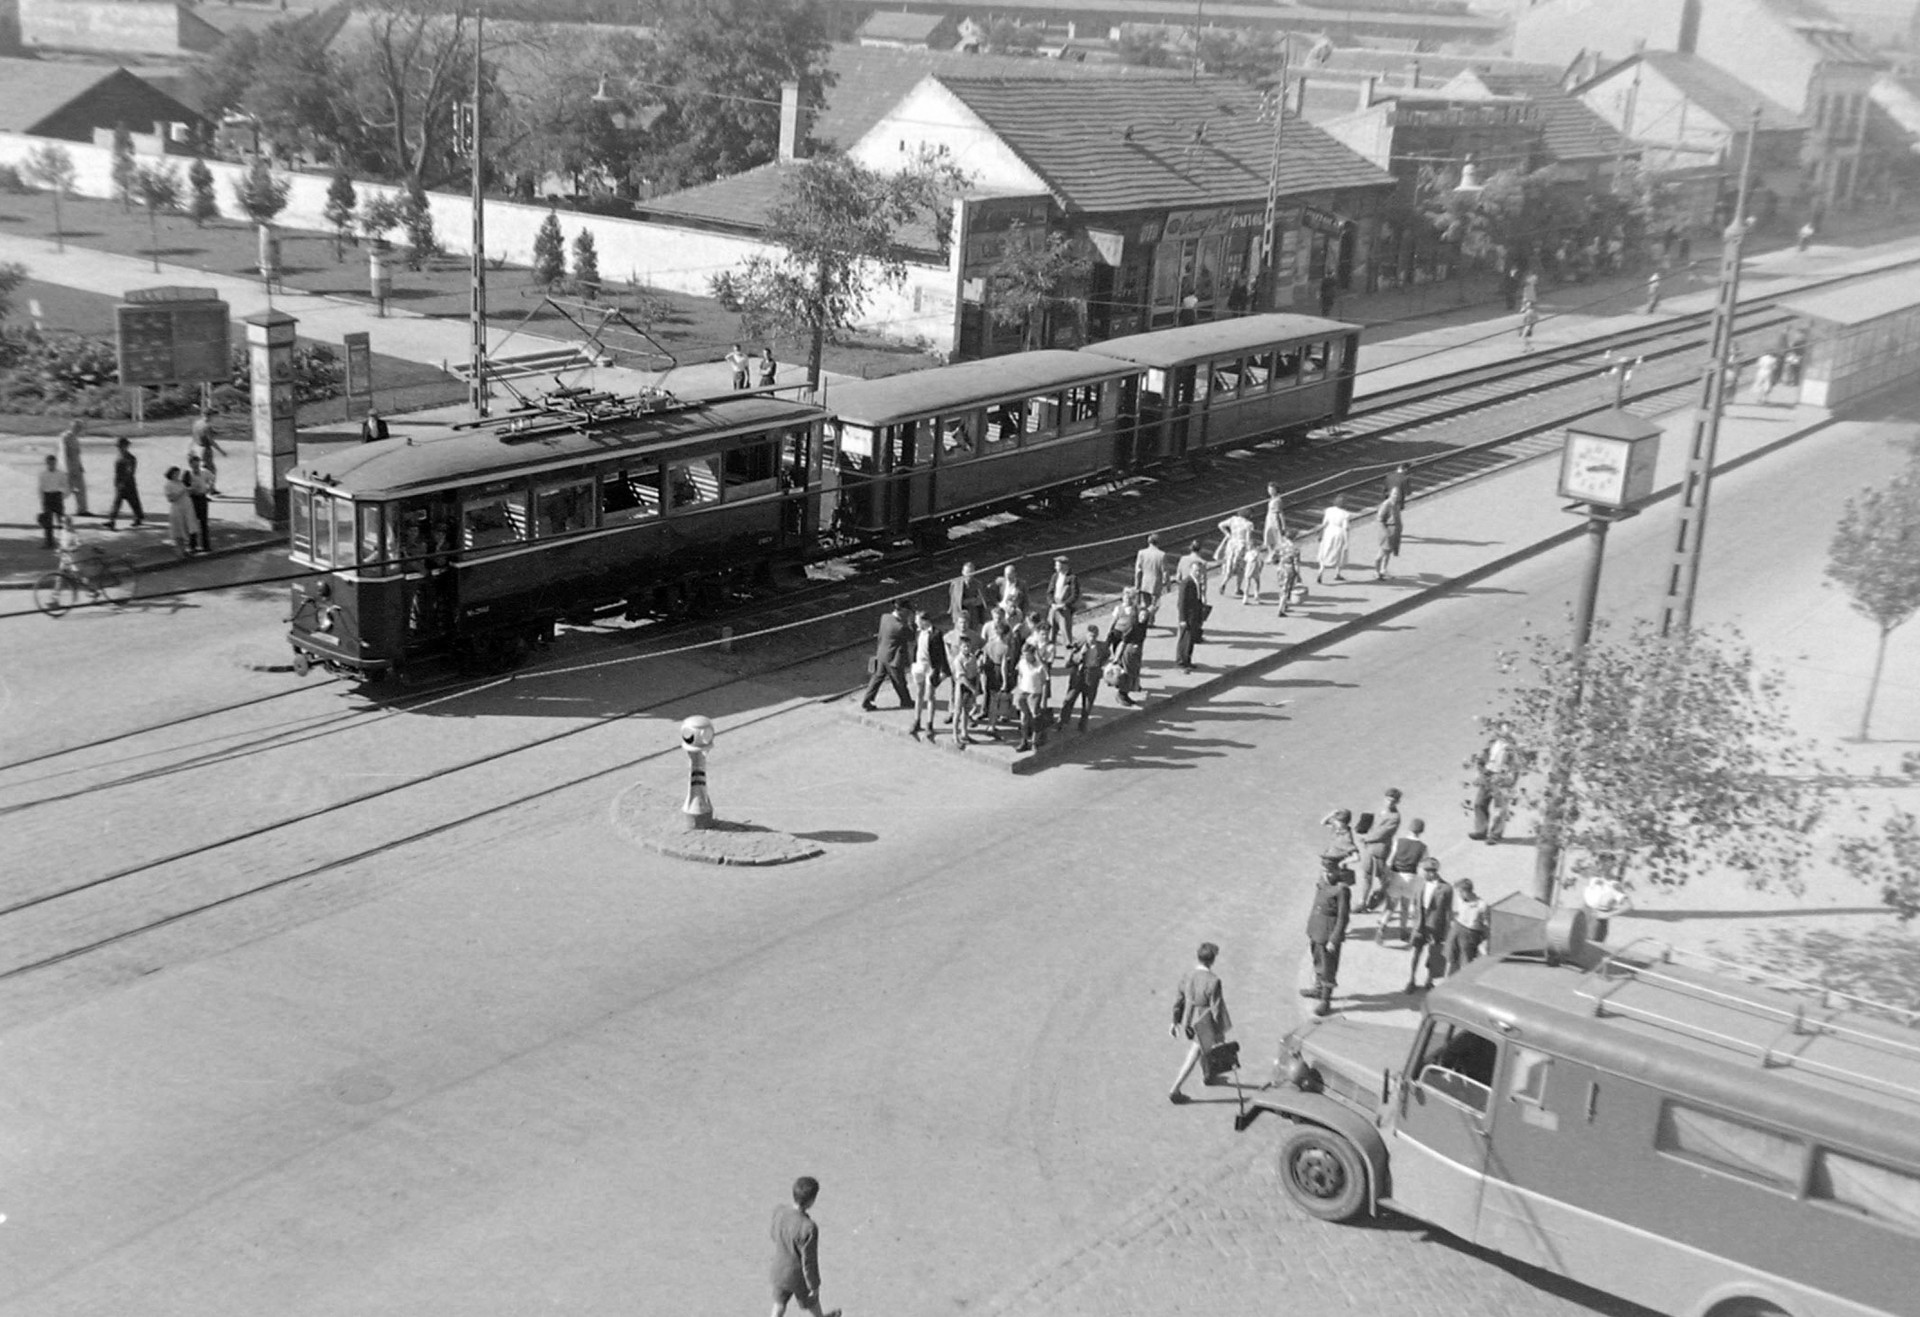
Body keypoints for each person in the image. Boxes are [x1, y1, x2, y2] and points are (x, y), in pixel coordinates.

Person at [1168, 941, 1231, 1103]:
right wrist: (1220, 1032)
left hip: (1190, 1021)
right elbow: (1216, 1010)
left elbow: (1179, 1000)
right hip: (1204, 1021)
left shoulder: (1188, 976)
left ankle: (1208, 1075)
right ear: (1212, 961)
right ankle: (1175, 1089)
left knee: (1203, 1049)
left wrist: (1175, 1021)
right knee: (1194, 1055)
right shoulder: (1214, 981)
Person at [768, 1176, 840, 1317]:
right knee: (812, 1302)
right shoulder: (809, 1227)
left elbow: (773, 1235)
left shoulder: (779, 1211)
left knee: (779, 1304)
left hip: (779, 1271)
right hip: (798, 1277)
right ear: (811, 1201)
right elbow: (809, 1262)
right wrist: (814, 1285)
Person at [1303, 856, 1352, 1017]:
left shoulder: (1341, 890)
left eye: (1330, 871)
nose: (1326, 874)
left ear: (1337, 871)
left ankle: (1326, 1000)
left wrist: (1334, 939)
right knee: (1317, 961)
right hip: (1316, 928)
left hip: (1328, 933)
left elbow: (1343, 917)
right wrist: (1310, 927)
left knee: (1328, 967)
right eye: (1324, 871)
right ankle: (1318, 989)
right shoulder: (1322, 883)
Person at [1403, 857, 1453, 993]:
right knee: (1416, 953)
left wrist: (1447, 930)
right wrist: (1412, 910)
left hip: (1436, 924)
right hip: (1420, 922)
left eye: (1423, 870)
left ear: (1431, 872)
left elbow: (1448, 911)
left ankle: (1429, 981)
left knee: (1434, 954)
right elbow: (1415, 897)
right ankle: (1411, 980)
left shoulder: (1446, 888)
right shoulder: (1420, 883)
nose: (1421, 873)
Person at [859, 599, 914, 712]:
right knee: (899, 681)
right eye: (907, 612)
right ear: (902, 611)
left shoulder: (885, 617)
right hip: (893, 657)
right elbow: (911, 637)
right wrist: (911, 622)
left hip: (881, 654)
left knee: (877, 678)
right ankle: (906, 701)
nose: (908, 613)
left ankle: (867, 701)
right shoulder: (900, 627)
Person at [1381, 818, 1428, 945]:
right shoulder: (1423, 847)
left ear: (1409, 828)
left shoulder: (1399, 841)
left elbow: (1390, 860)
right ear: (1421, 831)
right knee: (1405, 906)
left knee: (1391, 905)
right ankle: (1403, 931)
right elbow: (1424, 865)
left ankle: (1382, 926)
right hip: (1410, 876)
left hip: (1396, 874)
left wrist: (1387, 875)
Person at [1469, 722, 1519, 842]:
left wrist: (1510, 781)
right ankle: (1481, 830)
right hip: (1488, 774)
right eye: (1502, 730)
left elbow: (1516, 767)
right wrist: (1480, 769)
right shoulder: (1492, 743)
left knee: (1499, 808)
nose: (1504, 733)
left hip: (1501, 778)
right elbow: (1483, 756)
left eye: (1507, 730)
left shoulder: (1512, 749)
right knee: (1479, 803)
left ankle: (1495, 834)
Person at [1357, 788, 1402, 914]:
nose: (1390, 803)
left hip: (1379, 849)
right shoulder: (1379, 810)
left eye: (1393, 801)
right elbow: (1370, 824)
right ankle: (1362, 902)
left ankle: (1384, 899)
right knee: (1366, 875)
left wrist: (1366, 838)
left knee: (1382, 877)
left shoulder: (1395, 817)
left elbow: (1382, 833)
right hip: (1369, 847)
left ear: (1397, 802)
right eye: (1388, 800)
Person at [907, 607, 947, 740]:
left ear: (925, 621)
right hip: (919, 666)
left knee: (930, 695)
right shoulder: (919, 632)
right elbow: (916, 648)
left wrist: (943, 671)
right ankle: (916, 720)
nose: (916, 623)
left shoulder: (936, 634)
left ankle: (929, 723)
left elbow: (941, 654)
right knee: (919, 693)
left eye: (918, 621)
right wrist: (913, 664)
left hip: (930, 667)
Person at [1106, 587, 1149, 707]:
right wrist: (1116, 657)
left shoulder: (1140, 622)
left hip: (1135, 649)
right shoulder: (1132, 626)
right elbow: (1124, 641)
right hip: (1126, 647)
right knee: (1127, 671)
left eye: (1144, 616)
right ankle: (1121, 694)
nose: (1143, 618)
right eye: (1141, 616)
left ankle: (1129, 689)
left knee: (1133, 670)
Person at [1059, 623, 1107, 730]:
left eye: (1094, 636)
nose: (1092, 639)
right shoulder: (1080, 644)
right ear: (1086, 635)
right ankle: (1063, 720)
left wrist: (1101, 667)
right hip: (1079, 674)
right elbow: (1071, 659)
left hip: (1092, 675)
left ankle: (1083, 723)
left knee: (1088, 701)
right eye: (1090, 636)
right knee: (1069, 698)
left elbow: (1106, 655)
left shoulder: (1101, 646)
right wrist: (1081, 653)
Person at [1446, 878, 1490, 975]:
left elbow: (1487, 925)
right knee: (1451, 959)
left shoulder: (1482, 905)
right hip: (1457, 929)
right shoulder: (1460, 900)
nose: (1458, 895)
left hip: (1470, 934)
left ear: (1464, 892)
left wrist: (1486, 941)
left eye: (1459, 892)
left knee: (1466, 963)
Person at [1173, 544, 1207, 673]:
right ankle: (1181, 662)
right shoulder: (1187, 582)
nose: (1198, 573)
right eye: (1196, 571)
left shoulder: (1197, 581)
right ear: (1191, 570)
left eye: (1199, 571)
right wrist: (1182, 619)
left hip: (1195, 616)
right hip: (1187, 617)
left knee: (1191, 639)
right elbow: (1182, 602)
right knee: (1185, 639)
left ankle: (1188, 660)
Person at [949, 628, 983, 747]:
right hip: (962, 687)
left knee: (966, 712)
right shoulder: (958, 660)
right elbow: (962, 678)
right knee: (957, 711)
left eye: (968, 646)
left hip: (972, 684)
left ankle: (965, 733)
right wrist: (973, 689)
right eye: (964, 647)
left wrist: (977, 686)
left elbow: (976, 673)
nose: (967, 648)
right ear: (960, 647)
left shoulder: (972, 657)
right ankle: (954, 735)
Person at [1013, 641, 1047, 752]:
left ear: (1033, 654)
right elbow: (1020, 675)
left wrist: (1044, 700)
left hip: (1034, 694)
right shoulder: (1022, 663)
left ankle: (1034, 742)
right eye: (1023, 654)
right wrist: (1018, 690)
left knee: (1035, 719)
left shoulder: (1040, 667)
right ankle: (1023, 741)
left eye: (1027, 654)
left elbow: (1044, 682)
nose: (1025, 657)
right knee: (1023, 718)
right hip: (1023, 692)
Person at [1215, 508, 1256, 597]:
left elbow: (1220, 525)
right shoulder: (1248, 524)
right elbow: (1248, 539)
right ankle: (1237, 588)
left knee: (1229, 566)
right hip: (1241, 547)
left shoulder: (1233, 519)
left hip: (1231, 545)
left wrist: (1227, 534)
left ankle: (1223, 583)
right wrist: (1251, 550)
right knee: (1241, 568)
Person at [104, 437, 143, 530]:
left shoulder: (130, 458)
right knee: (117, 503)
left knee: (133, 502)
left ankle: (138, 517)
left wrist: (123, 482)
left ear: (126, 447)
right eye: (119, 447)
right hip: (120, 483)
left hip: (128, 484)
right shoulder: (120, 456)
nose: (119, 448)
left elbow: (130, 472)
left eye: (121, 446)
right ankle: (112, 520)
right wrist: (117, 482)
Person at [1132, 533, 1169, 625]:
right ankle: (1147, 618)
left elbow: (1138, 570)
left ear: (1148, 542)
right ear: (1158, 542)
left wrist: (1137, 584)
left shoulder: (1141, 553)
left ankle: (1148, 620)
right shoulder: (1162, 555)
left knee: (1146, 603)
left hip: (1144, 582)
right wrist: (1167, 584)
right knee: (1155, 604)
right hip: (1156, 583)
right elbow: (1165, 571)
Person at [1313, 498, 1352, 583]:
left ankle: (1321, 570)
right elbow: (1345, 528)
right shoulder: (1345, 514)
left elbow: (1324, 523)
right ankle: (1337, 573)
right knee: (1339, 553)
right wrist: (1346, 541)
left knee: (1325, 551)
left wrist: (1320, 531)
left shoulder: (1329, 510)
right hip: (1339, 533)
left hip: (1328, 532)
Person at [163, 465, 199, 557]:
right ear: (171, 474)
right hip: (177, 510)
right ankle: (180, 552)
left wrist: (191, 489)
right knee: (178, 531)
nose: (177, 475)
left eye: (178, 473)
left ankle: (185, 550)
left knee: (186, 529)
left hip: (186, 508)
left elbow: (186, 492)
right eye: (175, 474)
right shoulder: (168, 485)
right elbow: (171, 499)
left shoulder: (180, 483)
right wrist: (182, 491)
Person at [1045, 555, 1079, 646]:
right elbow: (1049, 592)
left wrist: (1065, 604)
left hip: (1064, 609)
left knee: (1066, 633)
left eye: (1057, 565)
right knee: (1051, 632)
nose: (1055, 567)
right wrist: (1051, 603)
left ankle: (1069, 655)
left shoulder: (1072, 578)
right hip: (1054, 607)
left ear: (1064, 566)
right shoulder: (1055, 576)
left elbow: (1074, 595)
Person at [37, 454, 70, 550]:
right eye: (49, 463)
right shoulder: (43, 474)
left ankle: (64, 541)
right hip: (47, 497)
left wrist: (62, 496)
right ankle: (49, 542)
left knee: (61, 521)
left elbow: (66, 486)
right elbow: (40, 488)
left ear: (55, 463)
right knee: (48, 522)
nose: (51, 465)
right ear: (46, 463)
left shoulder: (61, 474)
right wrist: (42, 499)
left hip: (57, 495)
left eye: (53, 463)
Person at [189, 407, 227, 488]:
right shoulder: (207, 426)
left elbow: (198, 434)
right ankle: (210, 489)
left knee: (200, 468)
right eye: (214, 416)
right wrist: (221, 451)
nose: (215, 418)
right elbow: (211, 441)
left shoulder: (197, 423)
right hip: (205, 449)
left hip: (196, 447)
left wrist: (219, 432)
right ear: (210, 416)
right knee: (210, 470)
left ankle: (203, 488)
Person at [58, 420, 89, 517]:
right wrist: (67, 469)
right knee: (67, 490)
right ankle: (56, 506)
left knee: (81, 489)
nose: (80, 430)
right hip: (68, 468)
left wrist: (80, 466)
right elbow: (63, 453)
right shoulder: (65, 437)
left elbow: (77, 454)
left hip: (76, 467)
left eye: (80, 428)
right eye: (78, 428)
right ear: (72, 427)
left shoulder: (75, 438)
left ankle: (82, 510)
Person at [948, 561, 988, 634]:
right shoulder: (955, 583)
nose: (969, 575)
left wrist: (976, 601)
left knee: (972, 635)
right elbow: (954, 601)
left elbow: (982, 601)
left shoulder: (978, 584)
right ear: (963, 572)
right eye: (967, 572)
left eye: (971, 572)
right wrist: (969, 601)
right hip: (959, 615)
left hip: (973, 615)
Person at [185, 453, 214, 553]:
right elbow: (183, 487)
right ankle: (192, 545)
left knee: (204, 523)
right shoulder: (187, 474)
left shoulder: (204, 472)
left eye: (197, 464)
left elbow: (212, 478)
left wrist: (209, 487)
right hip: (192, 499)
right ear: (190, 465)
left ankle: (206, 545)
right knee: (192, 523)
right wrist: (190, 489)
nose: (196, 466)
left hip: (202, 498)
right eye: (194, 464)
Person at [1271, 531, 1303, 616]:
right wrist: (1298, 575)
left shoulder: (1280, 545)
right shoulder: (1295, 549)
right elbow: (1296, 564)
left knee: (1282, 587)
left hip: (1280, 568)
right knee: (1286, 590)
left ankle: (1284, 605)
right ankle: (1281, 609)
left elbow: (1274, 558)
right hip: (1289, 570)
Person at [1373, 492, 1402, 581]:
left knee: (1388, 551)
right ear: (1390, 494)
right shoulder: (1386, 504)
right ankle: (1376, 571)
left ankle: (1383, 570)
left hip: (1394, 531)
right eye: (1394, 494)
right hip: (1388, 531)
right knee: (1382, 552)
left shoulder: (1396, 504)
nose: (1396, 496)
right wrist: (1385, 532)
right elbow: (1379, 519)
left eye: (1397, 495)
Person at [1262, 481, 1287, 547]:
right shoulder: (1271, 499)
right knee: (1270, 539)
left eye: (1272, 490)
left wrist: (1283, 526)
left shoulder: (1278, 500)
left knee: (1276, 538)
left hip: (1274, 520)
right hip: (1269, 519)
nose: (1270, 491)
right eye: (1269, 489)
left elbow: (1280, 513)